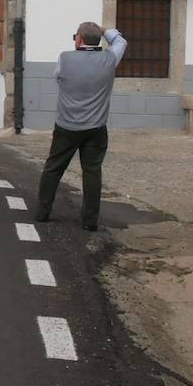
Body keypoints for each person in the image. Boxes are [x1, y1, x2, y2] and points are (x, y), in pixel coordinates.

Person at [34, 22, 129, 231]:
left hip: (67, 125)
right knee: (92, 172)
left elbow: (57, 76)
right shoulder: (110, 59)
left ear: (79, 40)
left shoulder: (65, 58)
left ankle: (42, 212)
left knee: (53, 168)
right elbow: (121, 41)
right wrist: (103, 30)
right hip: (96, 127)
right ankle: (89, 221)